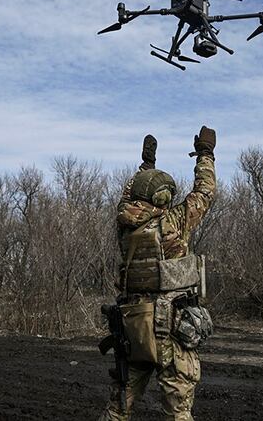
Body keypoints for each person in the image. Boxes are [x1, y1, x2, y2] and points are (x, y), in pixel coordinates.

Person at [99, 126, 216, 421]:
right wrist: (205, 153)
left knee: (118, 409)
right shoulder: (174, 222)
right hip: (169, 328)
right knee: (178, 412)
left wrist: (145, 165)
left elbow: (130, 196)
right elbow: (205, 191)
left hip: (133, 326)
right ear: (164, 197)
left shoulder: (124, 225)